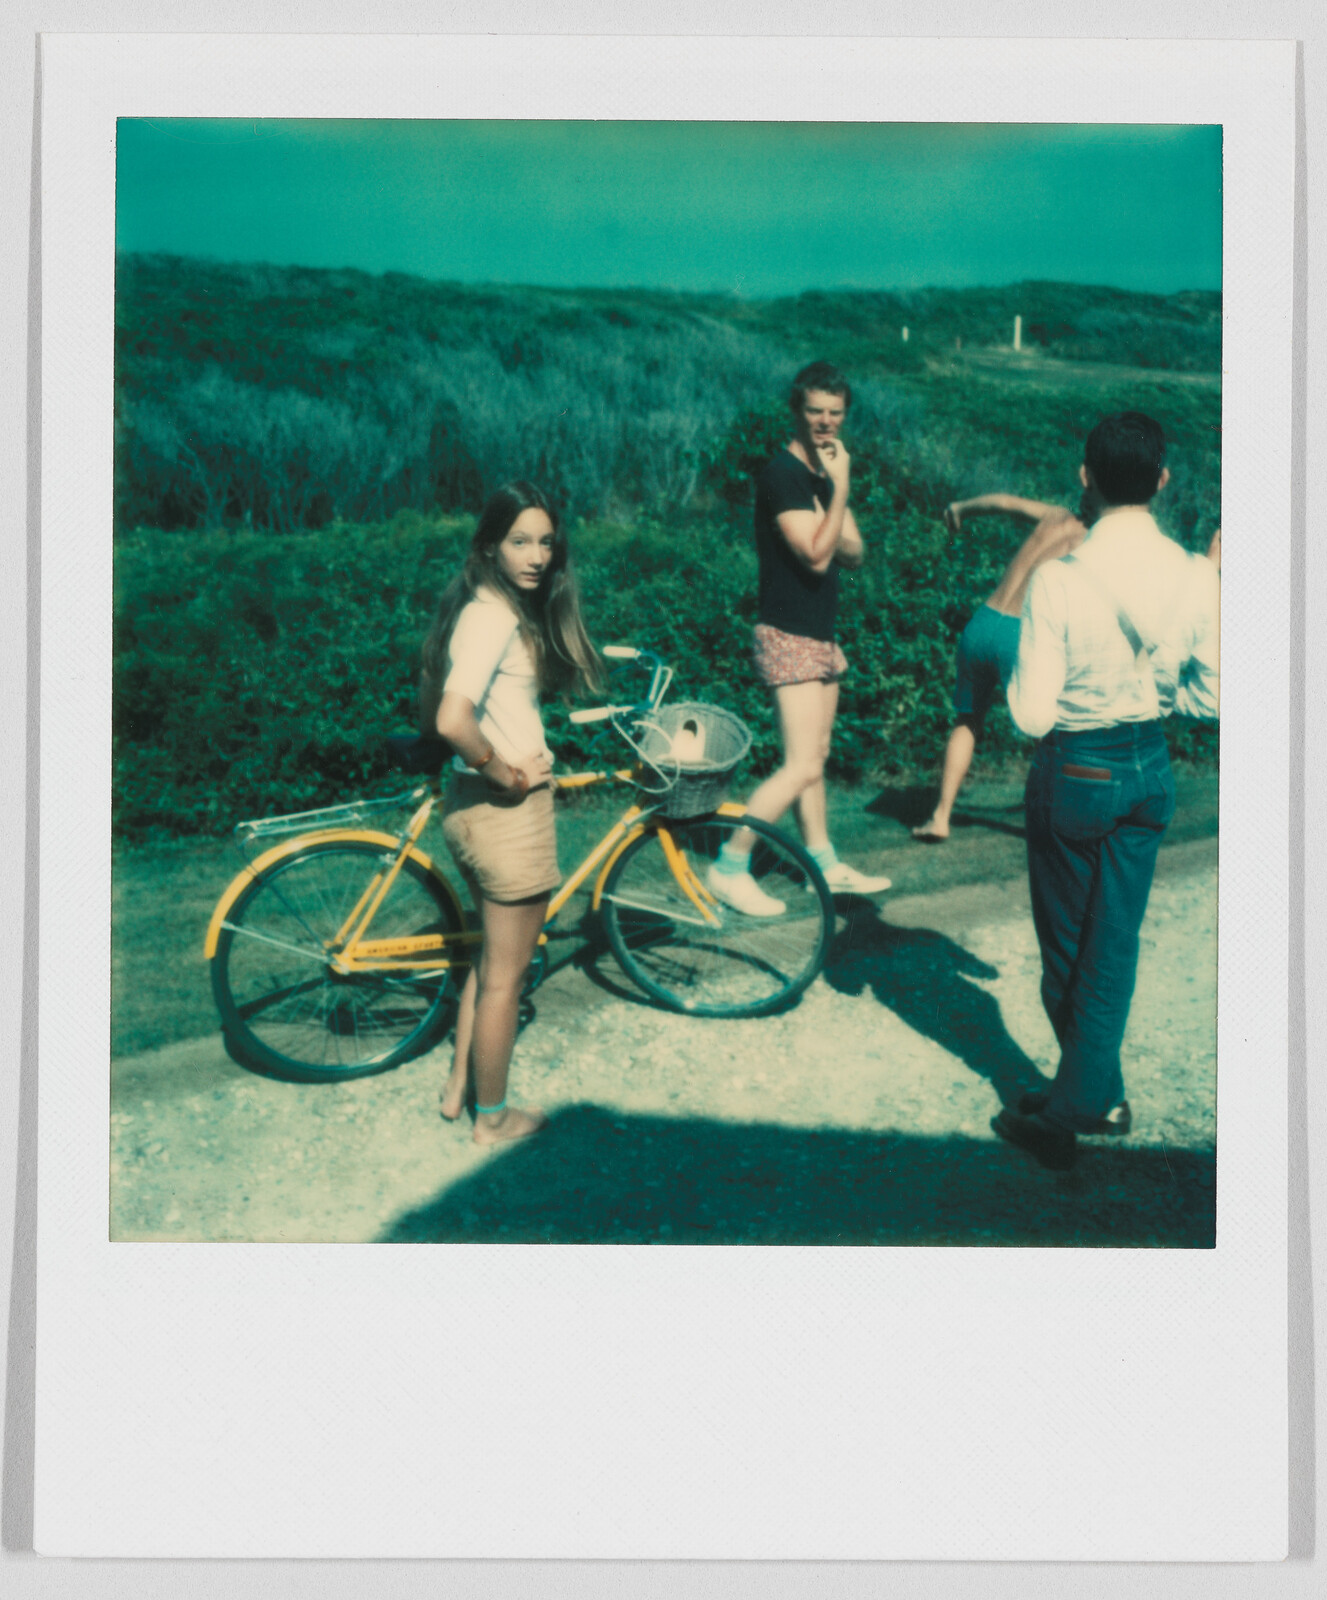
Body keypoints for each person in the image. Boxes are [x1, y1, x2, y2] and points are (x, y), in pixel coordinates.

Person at [994, 412, 1220, 1170]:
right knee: (1112, 941)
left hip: (1077, 767)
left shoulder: (1059, 579)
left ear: (1084, 477)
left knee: (1069, 948)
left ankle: (1075, 1108)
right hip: (1149, 764)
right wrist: (1157, 698)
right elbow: (1214, 695)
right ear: (1162, 481)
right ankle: (1100, 1091)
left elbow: (1031, 716)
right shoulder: (1197, 575)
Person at [419, 482, 602, 1145]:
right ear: (491, 545)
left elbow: (445, 707)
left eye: (545, 542)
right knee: (505, 979)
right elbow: (452, 720)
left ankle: (459, 1089)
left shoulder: (477, 609)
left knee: (489, 960)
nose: (536, 556)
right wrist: (509, 775)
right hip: (505, 816)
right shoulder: (495, 618)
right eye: (519, 541)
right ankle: (493, 1119)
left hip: (468, 813)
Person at [707, 360, 893, 916]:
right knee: (802, 765)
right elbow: (816, 555)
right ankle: (729, 866)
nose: (826, 422)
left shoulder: (820, 476)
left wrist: (831, 499)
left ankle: (824, 864)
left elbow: (854, 553)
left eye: (835, 412)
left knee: (818, 756)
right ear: (796, 410)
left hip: (820, 635)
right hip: (788, 634)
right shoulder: (783, 474)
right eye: (815, 411)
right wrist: (841, 490)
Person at [911, 489, 1099, 842]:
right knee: (1052, 732)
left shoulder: (1055, 514)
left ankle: (940, 816)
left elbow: (1005, 502)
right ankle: (1056, 819)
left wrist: (960, 507)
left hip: (982, 623)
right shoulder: (1097, 541)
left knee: (968, 719)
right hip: (1020, 633)